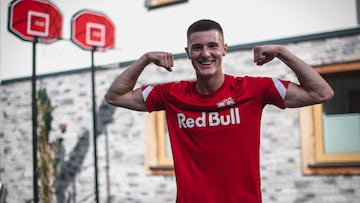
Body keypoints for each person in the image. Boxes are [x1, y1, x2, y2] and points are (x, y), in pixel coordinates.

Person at [105, 19, 334, 203]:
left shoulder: (254, 89)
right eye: (197, 48)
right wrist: (144, 59)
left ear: (224, 49)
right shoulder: (172, 94)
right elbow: (115, 96)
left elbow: (321, 93)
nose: (205, 54)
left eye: (212, 46)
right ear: (188, 53)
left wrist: (283, 52)